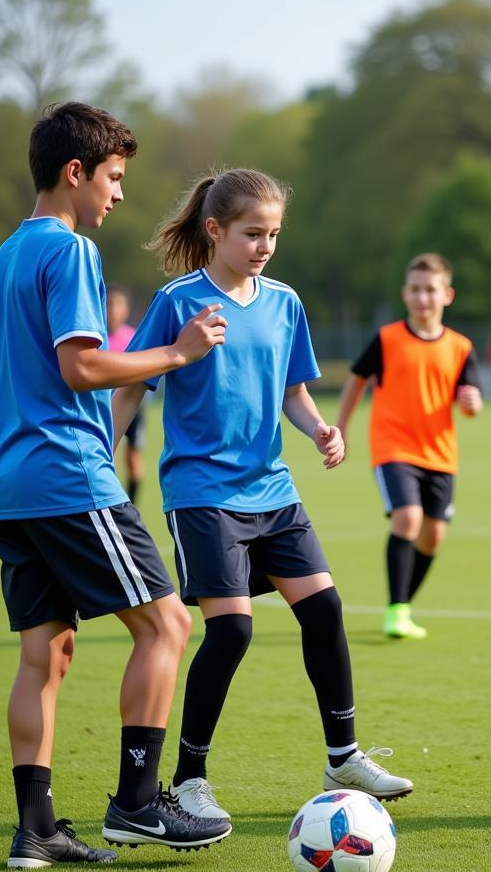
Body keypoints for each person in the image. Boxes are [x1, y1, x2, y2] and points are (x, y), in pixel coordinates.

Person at [0, 102, 232, 870]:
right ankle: (140, 805)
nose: (118, 194)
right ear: (76, 173)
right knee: (169, 626)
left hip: (7, 486)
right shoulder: (69, 252)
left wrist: (40, 396)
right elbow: (84, 365)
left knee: (44, 656)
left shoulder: (1, 261)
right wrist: (177, 354)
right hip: (67, 478)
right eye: (113, 178)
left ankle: (36, 831)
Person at [112, 168, 414, 824]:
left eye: (273, 234)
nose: (264, 246)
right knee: (232, 630)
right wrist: (104, 454)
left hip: (271, 487)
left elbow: (291, 390)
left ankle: (343, 755)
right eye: (253, 233)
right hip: (201, 490)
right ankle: (188, 779)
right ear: (215, 229)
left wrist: (319, 431)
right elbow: (133, 383)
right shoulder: (178, 301)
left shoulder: (284, 302)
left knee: (325, 608)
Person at [336, 253, 483, 640]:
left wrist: (472, 404)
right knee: (408, 519)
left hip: (440, 453)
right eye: (416, 290)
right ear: (405, 294)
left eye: (430, 290)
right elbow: (356, 380)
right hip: (394, 447)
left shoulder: (460, 346)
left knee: (433, 536)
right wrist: (342, 427)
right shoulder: (387, 339)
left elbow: (471, 397)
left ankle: (404, 605)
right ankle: (397, 609)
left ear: (447, 295)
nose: (423, 298)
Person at [106, 285, 145, 503]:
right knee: (105, 456)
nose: (113, 310)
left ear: (126, 310)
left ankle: (132, 506)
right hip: (104, 407)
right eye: (109, 305)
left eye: (117, 305)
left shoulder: (134, 337)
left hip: (134, 405)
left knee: (133, 458)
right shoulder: (95, 338)